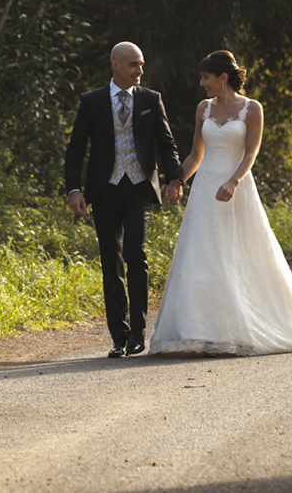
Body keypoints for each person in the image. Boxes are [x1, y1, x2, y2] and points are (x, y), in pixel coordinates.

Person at [148, 50, 292, 356]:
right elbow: (196, 155)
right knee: (201, 255)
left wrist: (233, 181)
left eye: (205, 77)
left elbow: (250, 153)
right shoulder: (203, 108)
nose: (201, 83)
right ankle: (197, 330)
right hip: (206, 188)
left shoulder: (252, 109)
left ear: (222, 78)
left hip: (236, 187)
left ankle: (237, 330)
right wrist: (177, 180)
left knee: (238, 255)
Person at [64, 42, 184, 358]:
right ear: (115, 65)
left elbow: (166, 143)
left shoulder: (150, 99)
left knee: (134, 253)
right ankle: (119, 336)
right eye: (133, 65)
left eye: (141, 64)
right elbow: (76, 148)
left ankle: (138, 333)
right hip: (103, 190)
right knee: (110, 260)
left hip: (139, 187)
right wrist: (74, 189)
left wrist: (175, 178)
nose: (139, 71)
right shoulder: (91, 102)